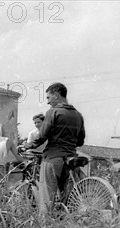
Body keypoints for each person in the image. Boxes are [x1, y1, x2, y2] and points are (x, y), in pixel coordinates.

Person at [20, 82, 85, 215]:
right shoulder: (78, 115)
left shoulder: (53, 112)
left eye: (49, 98)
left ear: (56, 95)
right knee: (67, 199)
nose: (48, 102)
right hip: (70, 159)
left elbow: (43, 136)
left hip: (53, 158)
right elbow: (80, 141)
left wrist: (27, 146)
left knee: (46, 199)